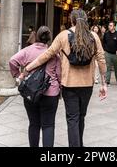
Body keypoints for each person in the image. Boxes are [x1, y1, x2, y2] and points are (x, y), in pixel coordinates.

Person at [24, 9, 107, 148]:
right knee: (81, 116)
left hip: (69, 84)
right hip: (87, 84)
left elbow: (47, 55)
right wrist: (104, 84)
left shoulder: (63, 36)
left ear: (71, 20)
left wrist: (28, 68)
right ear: (86, 20)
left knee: (72, 118)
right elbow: (101, 59)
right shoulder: (94, 36)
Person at [9, 26, 61, 148]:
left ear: (36, 36)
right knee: (48, 125)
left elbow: (12, 60)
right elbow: (59, 75)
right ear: (49, 39)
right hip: (50, 93)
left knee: (34, 124)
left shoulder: (27, 51)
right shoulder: (54, 54)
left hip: (30, 93)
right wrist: (60, 90)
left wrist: (17, 75)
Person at [103, 21, 117, 86]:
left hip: (115, 54)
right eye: (109, 25)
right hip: (108, 53)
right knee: (108, 67)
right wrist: (104, 50)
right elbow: (104, 42)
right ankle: (107, 81)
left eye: (111, 25)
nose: (109, 27)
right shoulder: (106, 34)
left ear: (114, 27)